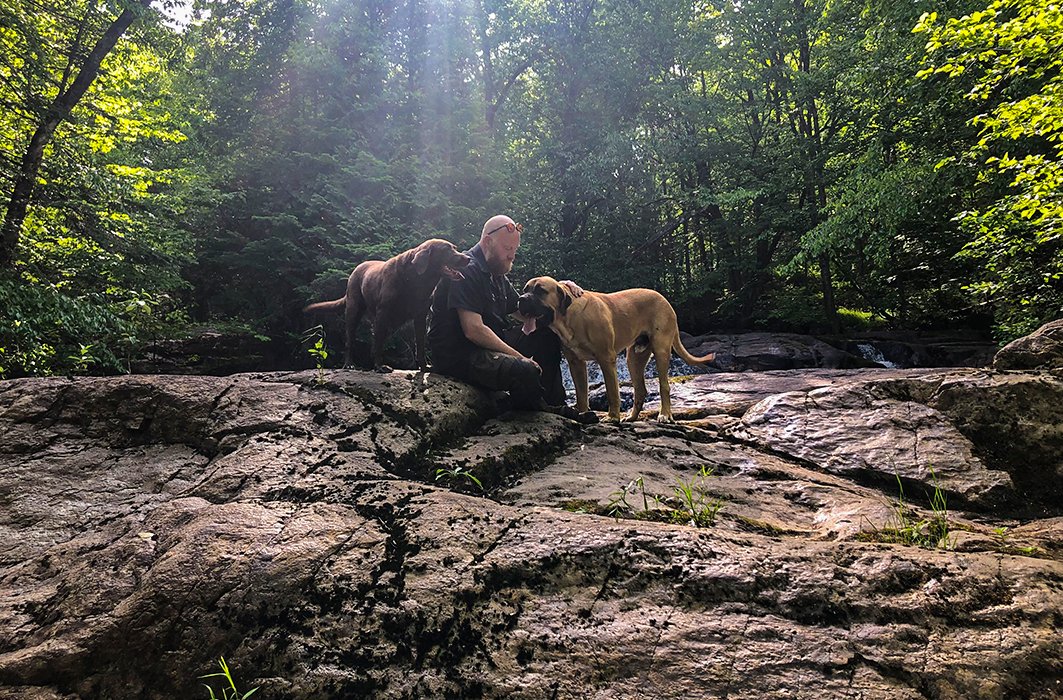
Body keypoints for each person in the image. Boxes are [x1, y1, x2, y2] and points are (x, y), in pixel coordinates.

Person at [428, 214, 597, 423]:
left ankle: (555, 402)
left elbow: (524, 310)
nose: (512, 256)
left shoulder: (496, 274)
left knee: (547, 331)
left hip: (485, 348)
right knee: (523, 370)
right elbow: (474, 330)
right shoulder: (466, 271)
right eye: (508, 249)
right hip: (459, 355)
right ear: (488, 242)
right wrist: (520, 357)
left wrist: (560, 288)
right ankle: (544, 411)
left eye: (515, 250)